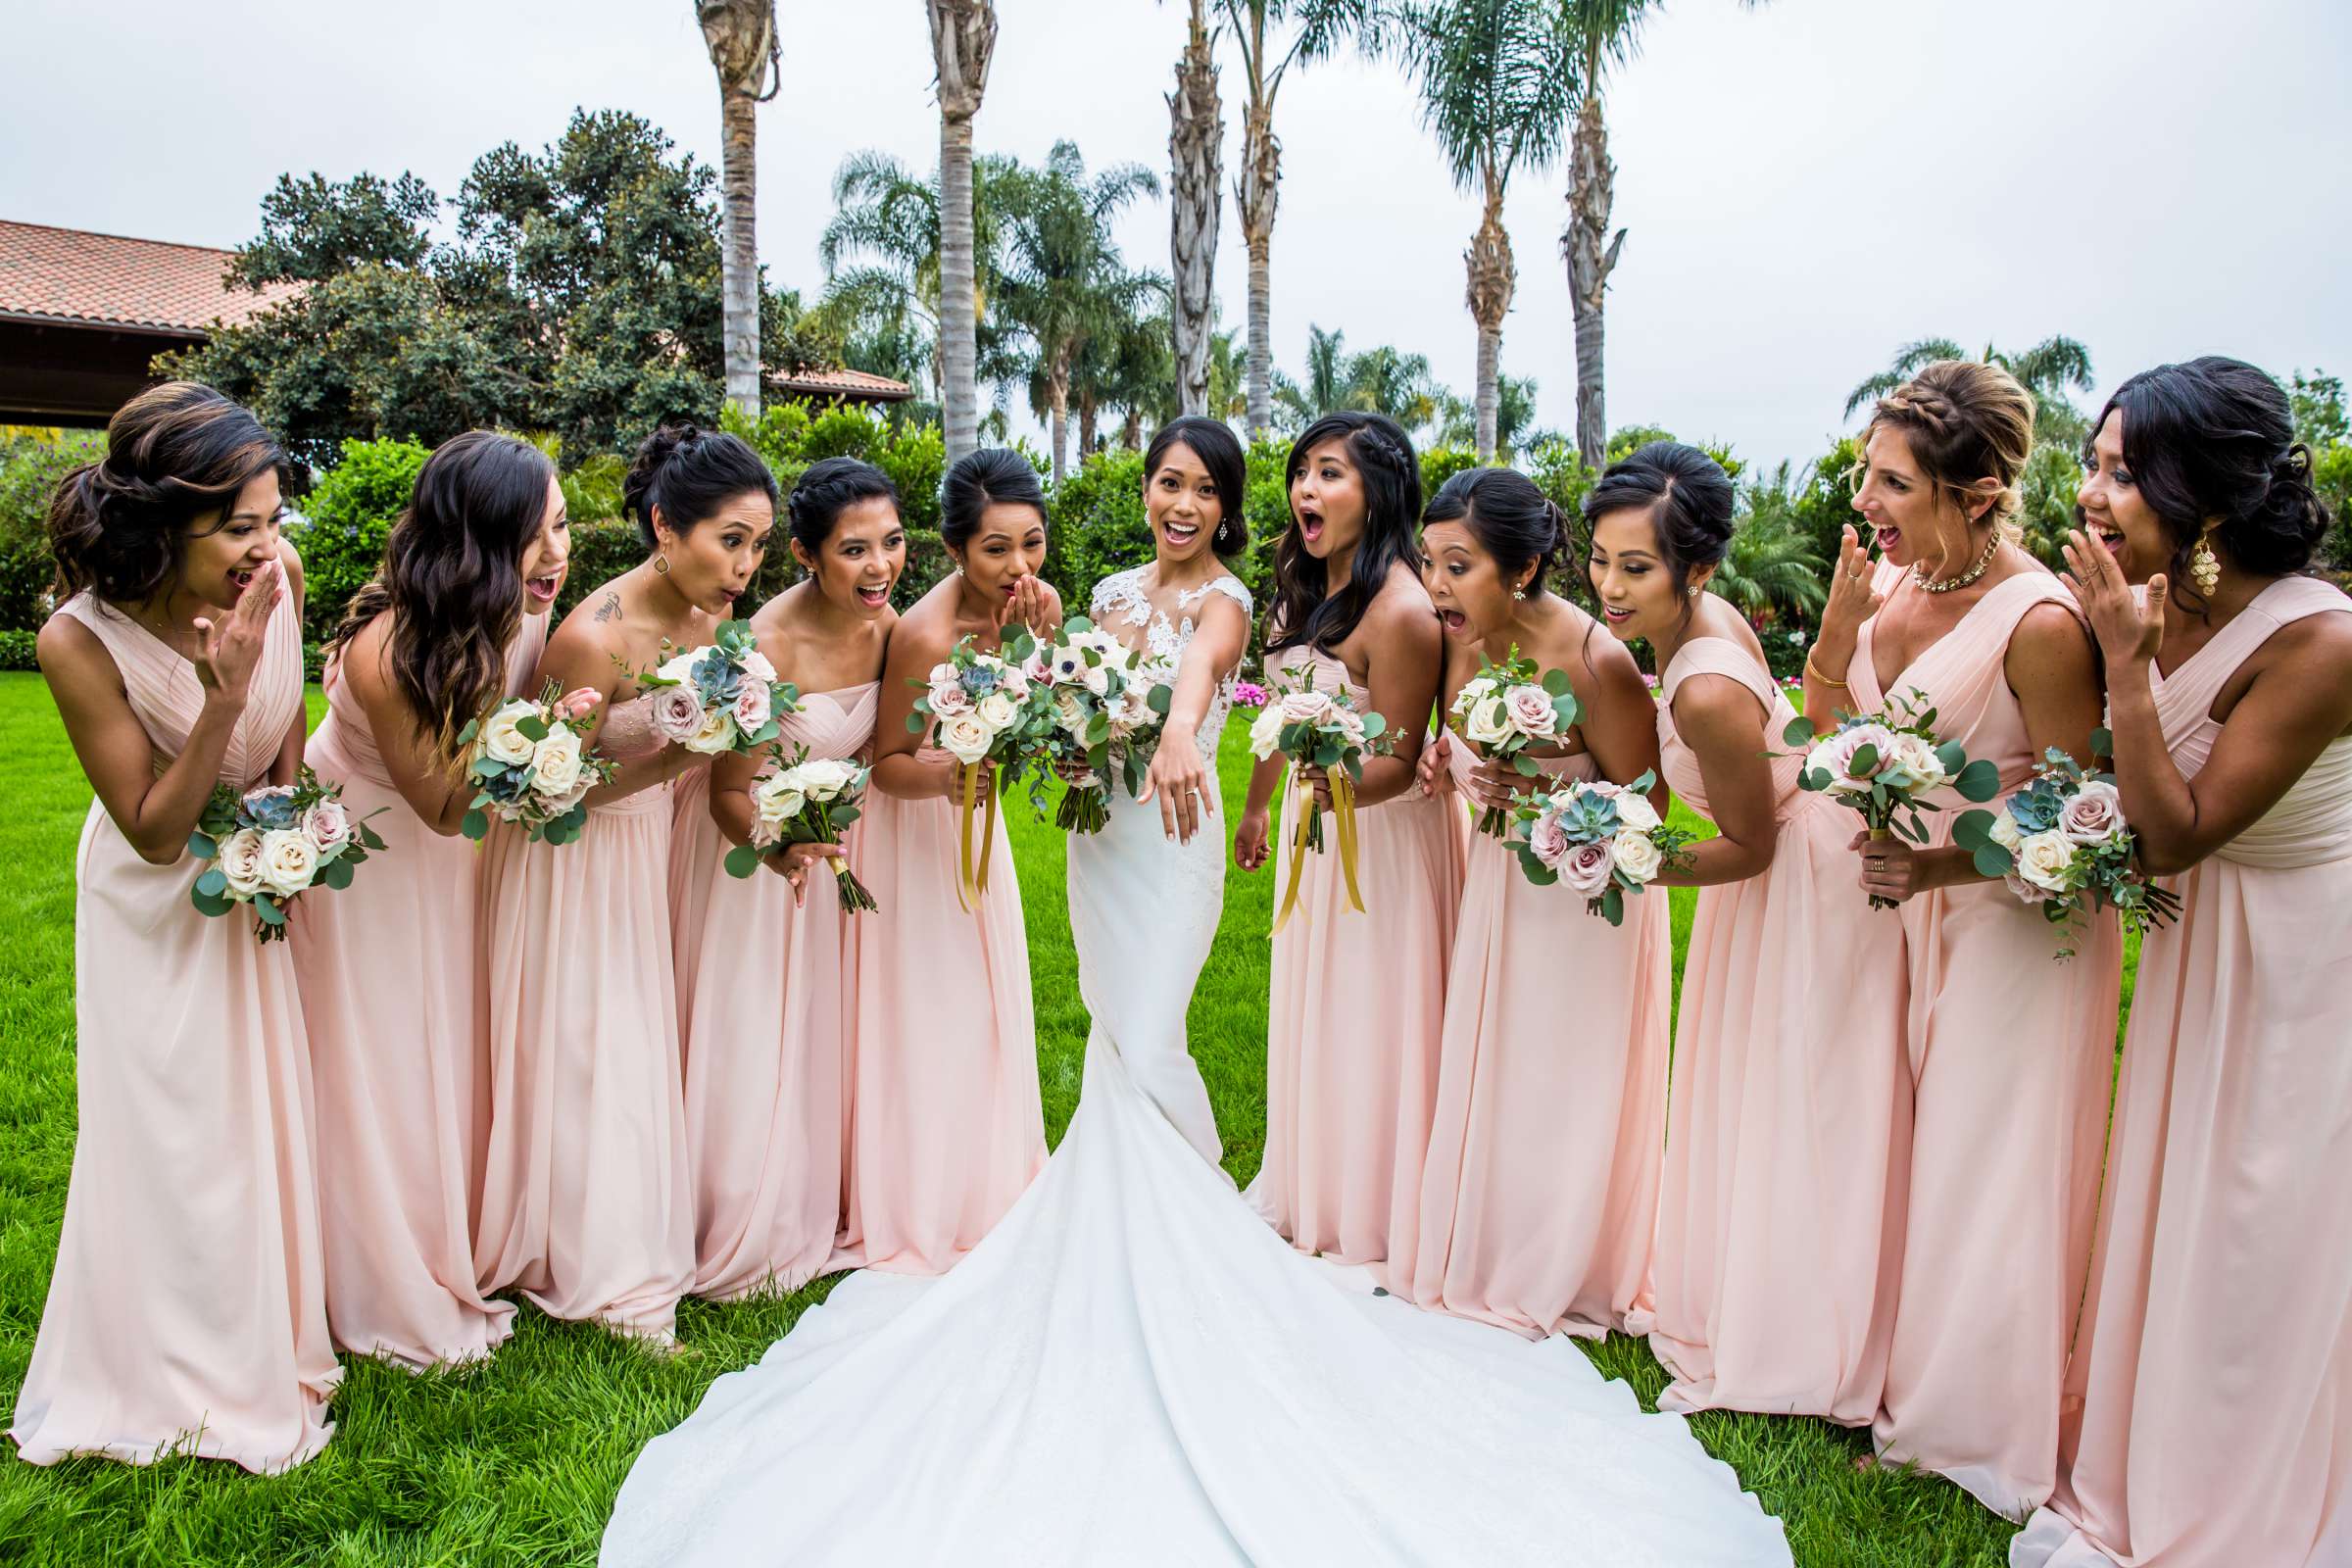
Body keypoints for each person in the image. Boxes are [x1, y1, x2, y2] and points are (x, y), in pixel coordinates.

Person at [598, 425, 1791, 1568]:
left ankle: (1182, 1214)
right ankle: (1124, 1194)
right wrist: (1057, 733)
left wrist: (1183, 738)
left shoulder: (1228, 603)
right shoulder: (1100, 596)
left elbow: (1207, 681)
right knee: (1115, 1029)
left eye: (1205, 489)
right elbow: (1055, 686)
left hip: (1174, 835)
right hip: (1100, 835)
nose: (1182, 503)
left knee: (1157, 1026)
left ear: (1226, 508)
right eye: (1168, 481)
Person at [2014, 358, 2352, 1568]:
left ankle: (2240, 1487)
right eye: (2095, 462)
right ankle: (2139, 1443)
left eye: (2121, 470)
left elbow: (2174, 833)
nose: (2093, 491)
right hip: (2202, 943)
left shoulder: (2320, 639)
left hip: (2301, 962)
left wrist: (2125, 661)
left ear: (2203, 496)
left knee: (2257, 1215)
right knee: (2173, 1191)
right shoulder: (2159, 596)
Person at [10, 381, 335, 1471]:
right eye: (238, 526)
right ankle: (162, 1363)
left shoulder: (280, 578)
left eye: (274, 518)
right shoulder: (76, 642)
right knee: (176, 1130)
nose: (266, 546)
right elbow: (152, 828)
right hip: (153, 902)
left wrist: (287, 826)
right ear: (164, 524)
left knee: (256, 1112)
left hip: (253, 871)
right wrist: (220, 697)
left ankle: (263, 1330)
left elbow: (291, 712)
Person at [1813, 360, 2120, 1518]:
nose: (1868, 499)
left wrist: (1945, 859)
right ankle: (1899, 1368)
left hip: (2012, 916)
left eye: (1893, 481)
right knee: (1921, 1148)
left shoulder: (2039, 621)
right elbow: (1836, 740)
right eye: (1866, 471)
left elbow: (2090, 814)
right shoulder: (1895, 593)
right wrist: (1841, 633)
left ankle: (1969, 1427)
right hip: (1915, 912)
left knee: (1987, 1163)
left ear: (1981, 492)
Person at [1592, 442, 1909, 1423]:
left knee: (1792, 1100)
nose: (1608, 586)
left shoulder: (1704, 688)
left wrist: (1620, 856)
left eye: (1634, 568)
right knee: (1769, 1095)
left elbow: (1749, 844)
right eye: (1600, 559)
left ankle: (1799, 1331)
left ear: (1696, 569)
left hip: (1794, 890)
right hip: (1786, 871)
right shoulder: (1692, 627)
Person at [473, 421, 775, 1348]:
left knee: (645, 1032)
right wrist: (685, 748)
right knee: (594, 1044)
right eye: (732, 541)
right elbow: (545, 790)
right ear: (663, 527)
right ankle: (605, 1266)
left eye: (759, 545)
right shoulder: (590, 641)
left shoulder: (711, 618)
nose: (745, 569)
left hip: (654, 850)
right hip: (577, 860)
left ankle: (636, 1224)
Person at [294, 431, 574, 1369]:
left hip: (457, 856)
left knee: (455, 1036)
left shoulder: (521, 612)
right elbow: (444, 805)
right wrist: (541, 741)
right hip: (376, 859)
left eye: (565, 529)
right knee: (388, 1052)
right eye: (536, 537)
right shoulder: (388, 644)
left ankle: (468, 1222)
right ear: (479, 545)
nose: (557, 557)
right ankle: (382, 1264)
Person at [1400, 463, 1668, 1340]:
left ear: (1520, 570)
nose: (1437, 584)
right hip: (1499, 886)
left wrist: (1548, 802)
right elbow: (1457, 741)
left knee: (1562, 1066)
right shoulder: (1461, 638)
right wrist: (1452, 761)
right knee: (1501, 1057)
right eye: (1431, 562)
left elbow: (1649, 810)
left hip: (1584, 902)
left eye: (1459, 565)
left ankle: (1566, 1257)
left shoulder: (1597, 662)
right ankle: (1492, 1235)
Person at [674, 456, 902, 1300]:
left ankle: (833, 1185)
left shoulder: (889, 627)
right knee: (757, 1031)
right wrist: (779, 849)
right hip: (759, 868)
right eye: (854, 550)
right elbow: (725, 794)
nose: (879, 566)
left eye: (891, 543)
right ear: (805, 555)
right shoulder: (761, 646)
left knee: (832, 1032)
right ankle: (746, 1211)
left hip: (843, 857)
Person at [1236, 411, 1457, 1267]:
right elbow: (1279, 714)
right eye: (1302, 472)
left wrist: (1315, 788)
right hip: (1317, 821)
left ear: (1379, 493)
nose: (1305, 490)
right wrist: (1263, 805)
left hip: (1383, 843)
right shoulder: (1304, 586)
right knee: (1318, 1005)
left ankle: (1372, 1199)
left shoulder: (1401, 609)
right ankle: (1312, 1180)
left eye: (1329, 473)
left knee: (1371, 1011)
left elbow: (1398, 762)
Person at [833, 448, 1054, 1274]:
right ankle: (922, 1193)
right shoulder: (925, 634)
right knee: (934, 1010)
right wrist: (950, 773)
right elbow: (885, 761)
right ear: (956, 548)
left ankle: (989, 1177)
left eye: (1031, 543)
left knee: (990, 1008)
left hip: (979, 832)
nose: (1019, 566)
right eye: (996, 549)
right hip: (917, 837)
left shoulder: (1036, 609)